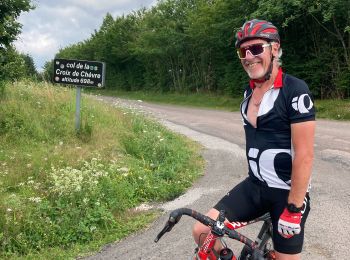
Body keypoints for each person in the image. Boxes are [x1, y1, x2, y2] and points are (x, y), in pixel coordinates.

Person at [192, 19, 316, 260]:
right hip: (254, 186)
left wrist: (293, 208)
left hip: (286, 194)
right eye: (243, 51)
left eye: (256, 48)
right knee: (202, 231)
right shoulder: (248, 93)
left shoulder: (295, 90)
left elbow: (305, 155)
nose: (249, 56)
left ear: (275, 49)